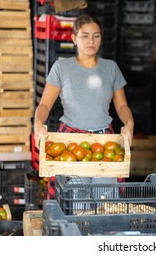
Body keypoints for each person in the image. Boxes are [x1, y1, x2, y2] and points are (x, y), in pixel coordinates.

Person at [34, 14, 134, 198]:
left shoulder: (111, 68)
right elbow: (45, 105)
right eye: (85, 35)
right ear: (74, 38)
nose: (91, 41)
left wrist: (129, 123)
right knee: (77, 202)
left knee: (107, 201)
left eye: (96, 36)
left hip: (105, 142)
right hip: (71, 141)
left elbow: (122, 106)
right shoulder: (61, 68)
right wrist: (38, 123)